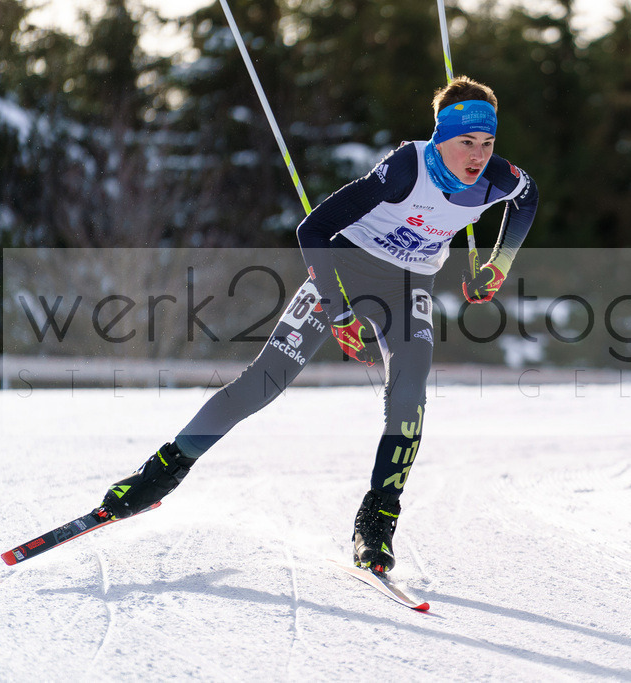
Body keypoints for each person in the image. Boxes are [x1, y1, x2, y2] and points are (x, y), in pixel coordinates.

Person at [98, 76, 538, 575]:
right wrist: (339, 310)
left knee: (410, 390)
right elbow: (313, 229)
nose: (478, 154)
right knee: (265, 381)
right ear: (441, 136)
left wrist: (499, 266)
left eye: (487, 142)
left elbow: (529, 199)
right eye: (466, 142)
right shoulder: (404, 169)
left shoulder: (499, 177)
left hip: (409, 284)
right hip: (344, 270)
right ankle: (160, 472)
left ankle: (377, 520)